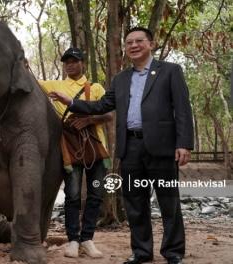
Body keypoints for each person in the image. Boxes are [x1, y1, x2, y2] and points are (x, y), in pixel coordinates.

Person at [48, 27, 193, 264]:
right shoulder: (121, 79)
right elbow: (101, 106)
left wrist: (184, 144)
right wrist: (72, 103)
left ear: (151, 44)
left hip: (162, 147)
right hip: (131, 148)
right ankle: (141, 252)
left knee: (169, 201)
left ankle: (174, 252)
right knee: (135, 202)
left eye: (139, 41)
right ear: (125, 48)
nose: (133, 45)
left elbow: (183, 110)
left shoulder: (170, 71)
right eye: (129, 42)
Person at [39, 47, 111, 259]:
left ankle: (88, 239)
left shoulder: (95, 87)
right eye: (67, 61)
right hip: (70, 148)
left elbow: (108, 115)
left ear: (83, 63)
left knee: (96, 194)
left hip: (96, 149)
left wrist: (89, 119)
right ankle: (72, 240)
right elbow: (32, 81)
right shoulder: (56, 85)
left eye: (74, 61)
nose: (70, 64)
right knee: (71, 195)